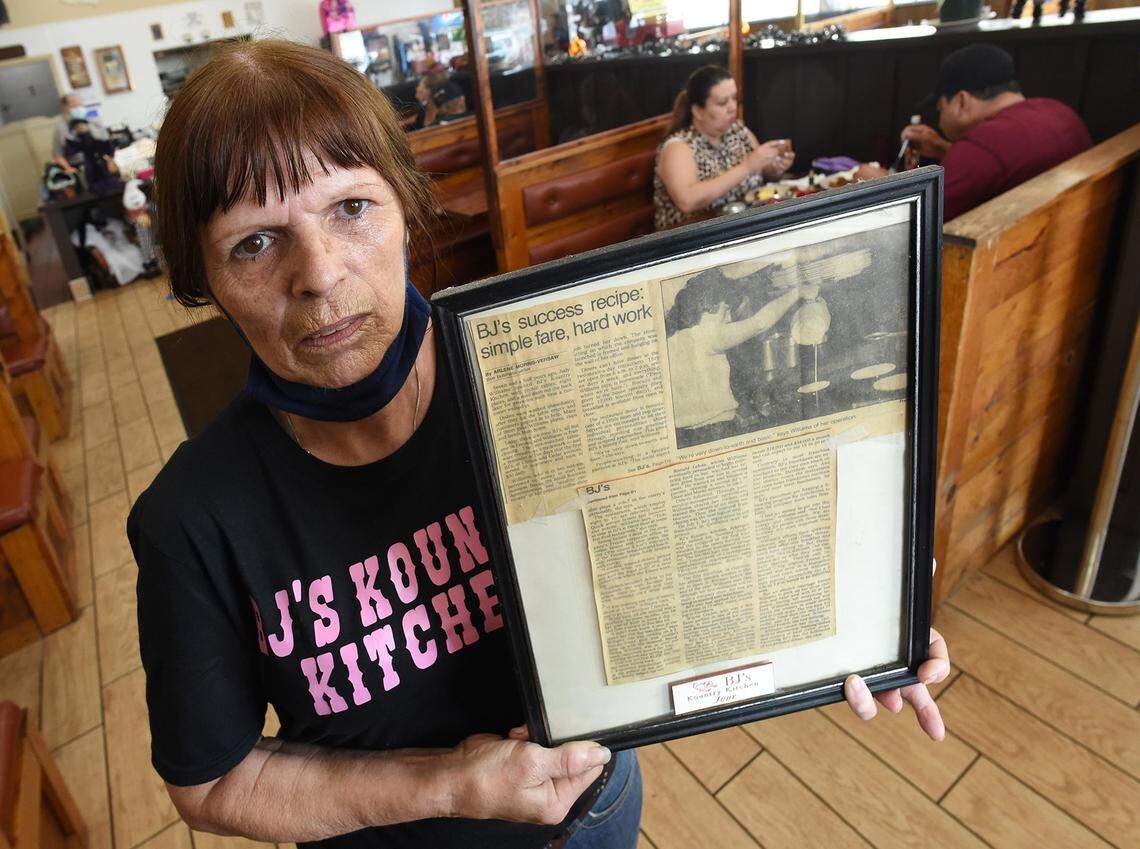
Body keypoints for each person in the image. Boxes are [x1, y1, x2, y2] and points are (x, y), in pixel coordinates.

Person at [128, 39, 949, 849]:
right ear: (205, 282)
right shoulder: (195, 517)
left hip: (596, 809)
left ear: (406, 209)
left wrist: (873, 611)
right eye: (254, 242)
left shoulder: (540, 369)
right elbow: (212, 780)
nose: (318, 272)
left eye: (350, 208)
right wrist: (446, 782)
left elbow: (698, 515)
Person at [860, 44, 1092, 221]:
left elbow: (918, 216)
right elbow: (1000, 166)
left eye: (941, 109)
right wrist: (944, 149)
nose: (939, 119)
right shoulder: (1058, 111)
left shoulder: (984, 144)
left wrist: (880, 183)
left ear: (962, 101)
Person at [653, 65, 794, 230]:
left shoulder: (738, 131)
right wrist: (746, 167)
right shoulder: (678, 147)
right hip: (692, 238)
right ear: (697, 111)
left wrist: (775, 168)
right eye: (722, 103)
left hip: (740, 227)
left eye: (734, 98)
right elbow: (687, 201)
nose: (732, 108)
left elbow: (763, 173)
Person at [51, 92, 107, 161]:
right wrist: (68, 168)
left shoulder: (94, 122)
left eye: (80, 104)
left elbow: (106, 142)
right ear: (65, 107)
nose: (78, 107)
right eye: (74, 105)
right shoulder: (60, 129)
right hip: (77, 166)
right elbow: (57, 155)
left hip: (99, 161)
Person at [414, 62, 467, 128]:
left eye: (421, 86)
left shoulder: (445, 113)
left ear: (430, 90)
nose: (417, 89)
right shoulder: (423, 112)